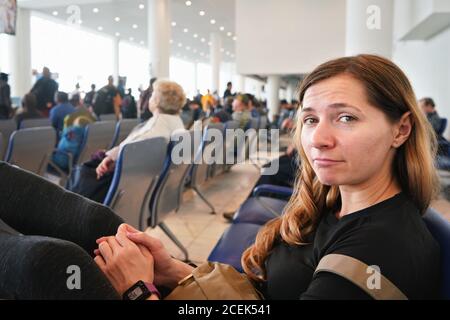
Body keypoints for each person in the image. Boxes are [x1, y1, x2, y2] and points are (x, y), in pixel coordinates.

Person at [94, 55, 441, 300]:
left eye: (346, 118)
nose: (318, 138)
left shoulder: (379, 248)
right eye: (309, 120)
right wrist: (172, 270)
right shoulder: (336, 205)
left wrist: (137, 290)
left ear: (401, 129)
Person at [69, 80, 186, 203]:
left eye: (152, 95)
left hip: (128, 193)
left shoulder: (154, 129)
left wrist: (111, 158)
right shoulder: (177, 124)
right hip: (154, 189)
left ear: (157, 101)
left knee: (80, 176)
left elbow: (128, 150)